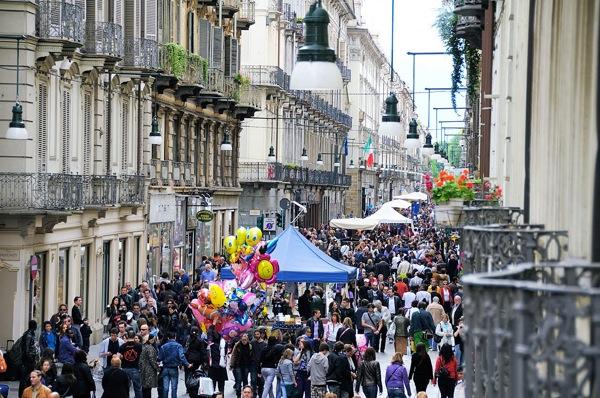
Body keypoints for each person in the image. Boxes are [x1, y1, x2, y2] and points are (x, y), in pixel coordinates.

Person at [158, 330, 193, 398]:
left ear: (168, 338)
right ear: (175, 337)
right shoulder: (178, 346)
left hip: (165, 368)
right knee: (174, 387)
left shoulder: (163, 346)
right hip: (174, 368)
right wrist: (187, 364)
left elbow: (159, 358)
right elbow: (182, 357)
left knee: (165, 387)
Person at [118, 330, 143, 398]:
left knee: (125, 388)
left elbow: (118, 358)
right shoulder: (139, 346)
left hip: (125, 369)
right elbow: (142, 357)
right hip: (135, 368)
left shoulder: (123, 346)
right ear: (134, 336)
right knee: (138, 388)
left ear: (127, 336)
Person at [18, 320, 40, 397]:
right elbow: (26, 348)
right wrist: (29, 357)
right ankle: (22, 395)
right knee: (25, 378)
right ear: (34, 326)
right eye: (36, 325)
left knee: (28, 378)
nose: (36, 327)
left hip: (30, 359)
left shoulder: (30, 334)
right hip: (27, 360)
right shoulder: (28, 335)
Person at [231, 333, 254, 398]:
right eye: (243, 339)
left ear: (247, 340)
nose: (244, 341)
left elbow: (251, 356)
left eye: (245, 339)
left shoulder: (250, 346)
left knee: (245, 380)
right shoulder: (237, 345)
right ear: (241, 339)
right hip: (238, 366)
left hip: (246, 366)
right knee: (238, 380)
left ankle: (245, 395)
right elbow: (233, 355)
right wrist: (232, 365)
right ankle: (238, 395)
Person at [208, 326, 228, 394]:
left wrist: (212, 326)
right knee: (221, 388)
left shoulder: (210, 345)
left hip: (213, 368)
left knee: (211, 388)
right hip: (221, 368)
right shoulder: (224, 344)